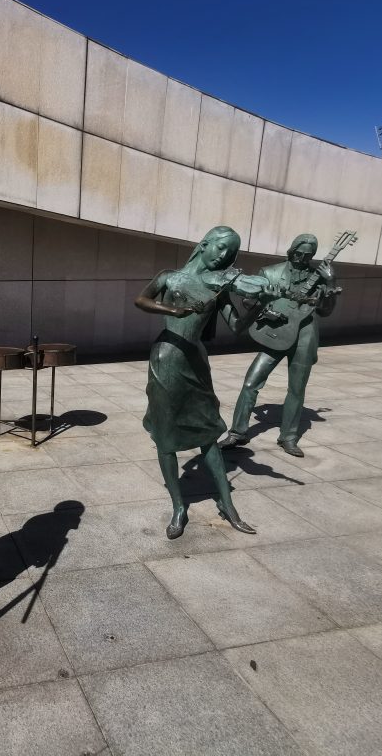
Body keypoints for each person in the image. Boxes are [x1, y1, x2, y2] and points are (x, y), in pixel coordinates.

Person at [135, 225, 274, 540]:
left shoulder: (221, 285)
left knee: (209, 431)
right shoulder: (169, 277)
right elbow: (140, 300)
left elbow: (237, 325)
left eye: (231, 253)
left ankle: (227, 503)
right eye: (221, 247)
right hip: (166, 356)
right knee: (166, 435)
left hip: (196, 360)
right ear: (205, 244)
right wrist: (174, 310)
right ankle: (178, 507)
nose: (224, 256)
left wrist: (257, 306)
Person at [218, 233, 339, 457]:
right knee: (251, 382)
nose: (302, 258)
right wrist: (266, 311)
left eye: (308, 255)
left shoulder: (319, 276)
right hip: (276, 333)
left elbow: (326, 311)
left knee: (297, 389)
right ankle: (237, 432)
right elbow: (249, 300)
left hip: (305, 336)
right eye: (298, 253)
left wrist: (330, 282)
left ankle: (289, 437)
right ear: (291, 251)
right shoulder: (270, 272)